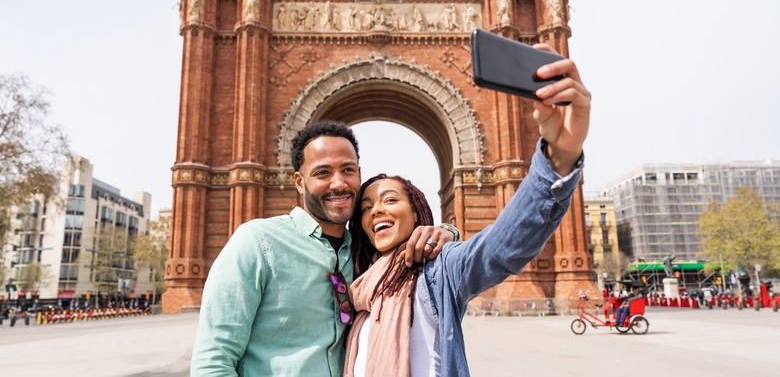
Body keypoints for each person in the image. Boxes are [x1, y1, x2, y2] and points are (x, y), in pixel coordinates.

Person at [343, 45, 591, 376]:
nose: (376, 211)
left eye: (390, 200)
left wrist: (559, 155)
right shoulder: (356, 284)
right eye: (366, 207)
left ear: (417, 212)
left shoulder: (440, 269)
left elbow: (503, 246)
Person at [190, 120, 458, 376]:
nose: (339, 183)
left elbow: (410, 246)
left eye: (348, 170)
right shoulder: (257, 242)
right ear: (299, 181)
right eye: (322, 173)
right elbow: (213, 360)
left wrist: (446, 232)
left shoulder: (365, 255)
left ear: (359, 174)